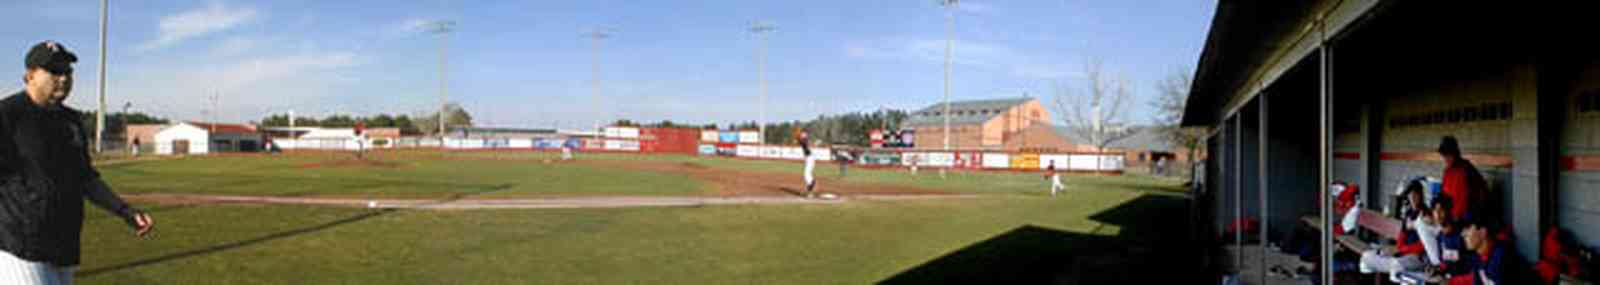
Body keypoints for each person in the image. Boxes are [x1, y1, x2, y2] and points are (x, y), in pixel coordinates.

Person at [0, 41, 153, 284]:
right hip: (20, 247)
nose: (63, 78)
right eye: (54, 71)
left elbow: (86, 178)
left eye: (67, 71)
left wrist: (125, 211)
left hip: (65, 245)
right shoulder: (8, 115)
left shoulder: (71, 120)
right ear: (29, 76)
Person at [1359, 182, 1430, 274]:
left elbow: (1424, 245)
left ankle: (1375, 265)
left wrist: (1401, 250)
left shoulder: (1426, 214)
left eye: (1416, 195)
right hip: (1403, 253)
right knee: (1367, 255)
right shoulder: (1409, 213)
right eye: (1410, 195)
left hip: (1417, 257)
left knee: (1395, 264)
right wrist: (1397, 249)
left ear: (1421, 195)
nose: (1413, 198)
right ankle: (1374, 263)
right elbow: (1402, 235)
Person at [1449, 218, 1519, 285]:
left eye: (1468, 228)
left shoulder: (1502, 257)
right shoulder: (1479, 256)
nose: (1463, 234)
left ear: (1483, 232)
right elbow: (1476, 281)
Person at [1438, 136, 1489, 222]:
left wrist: (1470, 218)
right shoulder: (1447, 172)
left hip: (1466, 220)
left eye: (1448, 154)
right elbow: (1443, 195)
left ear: (1455, 153)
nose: (1445, 158)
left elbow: (1480, 195)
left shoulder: (1467, 169)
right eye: (1443, 155)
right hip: (1450, 219)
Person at [798, 131, 816, 198]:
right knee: (807, 175)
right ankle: (810, 188)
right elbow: (801, 142)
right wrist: (799, 138)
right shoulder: (804, 141)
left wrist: (800, 138)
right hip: (809, 159)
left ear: (806, 135)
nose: (802, 135)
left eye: (803, 134)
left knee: (806, 175)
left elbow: (804, 143)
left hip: (810, 159)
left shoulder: (805, 140)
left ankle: (810, 192)